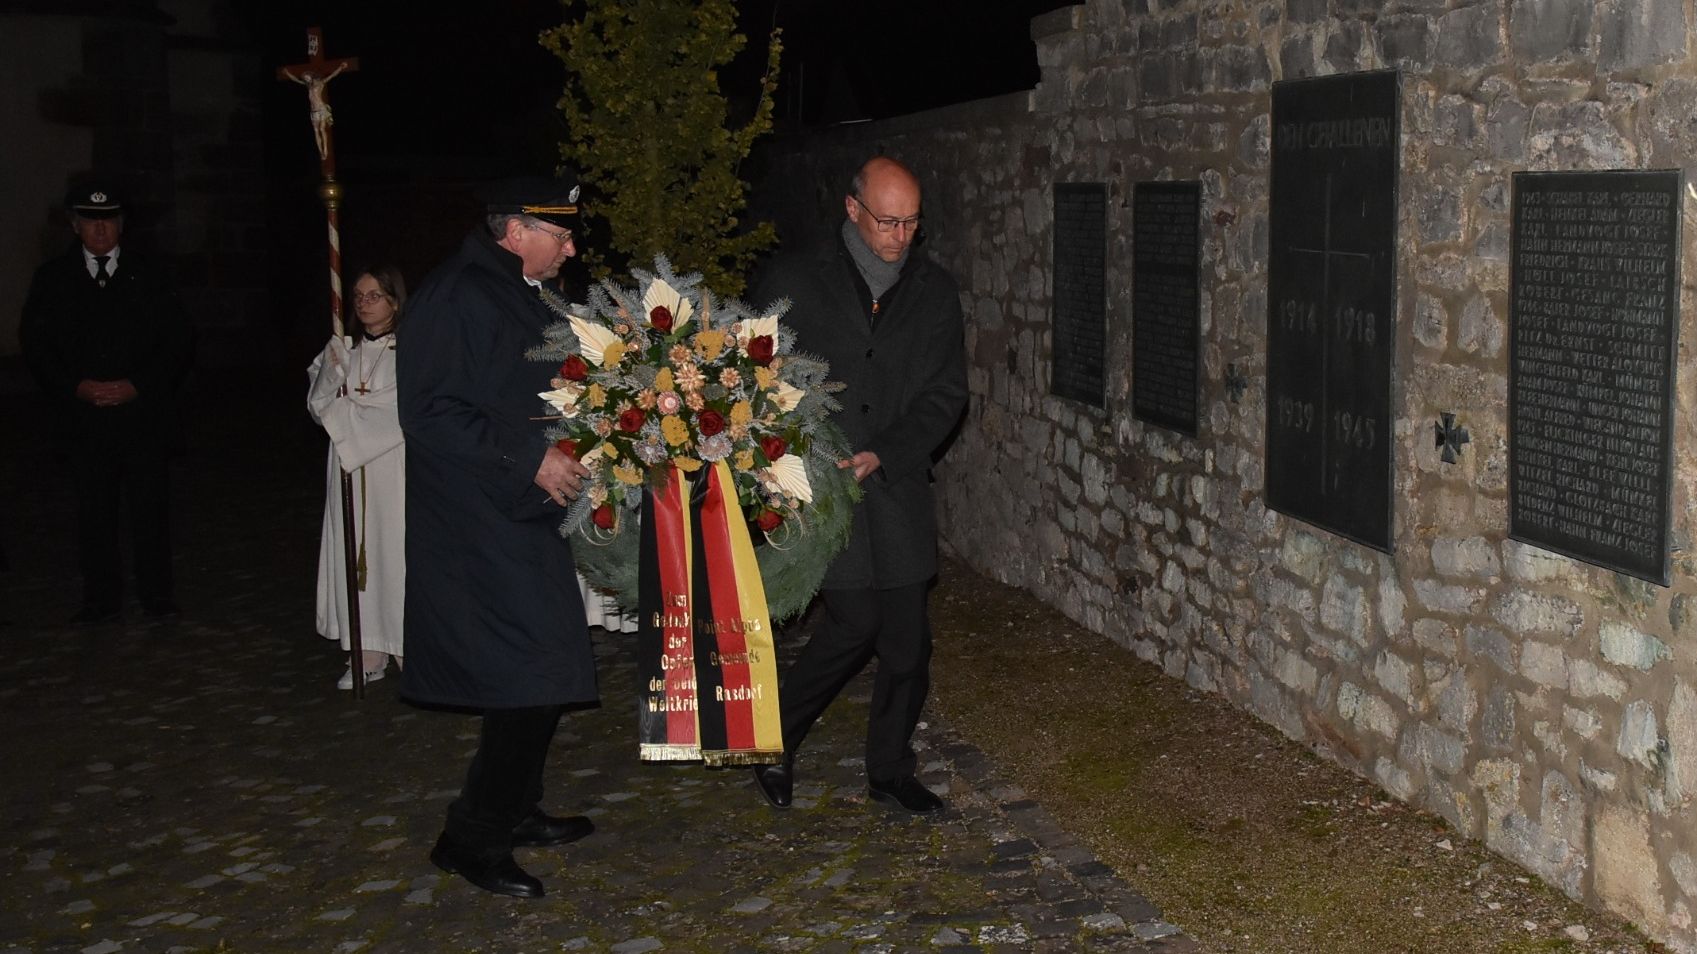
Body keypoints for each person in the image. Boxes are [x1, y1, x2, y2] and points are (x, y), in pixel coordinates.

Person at [396, 175, 596, 899]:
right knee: (529, 675)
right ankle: (470, 838)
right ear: (514, 232)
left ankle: (514, 808)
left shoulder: (522, 290)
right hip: (478, 519)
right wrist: (529, 456)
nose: (571, 246)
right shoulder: (456, 297)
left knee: (544, 668)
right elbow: (429, 412)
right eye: (559, 233)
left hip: (521, 512)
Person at [750, 156, 968, 814]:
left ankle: (889, 769)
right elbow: (751, 377)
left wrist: (885, 451)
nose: (899, 236)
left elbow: (944, 394)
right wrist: (789, 456)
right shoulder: (789, 279)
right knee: (853, 622)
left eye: (911, 223)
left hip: (894, 484)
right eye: (887, 221)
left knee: (907, 643)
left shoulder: (933, 292)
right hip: (817, 484)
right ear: (852, 211)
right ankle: (773, 742)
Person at [18, 184, 193, 624]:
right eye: (92, 220)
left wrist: (138, 384)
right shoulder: (53, 278)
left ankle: (157, 595)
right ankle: (100, 598)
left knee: (150, 509)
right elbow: (37, 345)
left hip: (141, 417)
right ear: (75, 225)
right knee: (94, 511)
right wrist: (75, 386)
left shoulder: (150, 275)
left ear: (122, 224)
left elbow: (178, 341)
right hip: (85, 418)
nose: (101, 228)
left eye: (110, 219)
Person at [307, 265, 408, 689]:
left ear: (395, 301)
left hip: (392, 467)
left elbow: (399, 409)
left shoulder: (410, 350)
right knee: (354, 555)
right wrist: (332, 374)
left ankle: (408, 648)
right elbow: (317, 404)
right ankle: (366, 652)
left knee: (394, 553)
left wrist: (343, 413)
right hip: (348, 465)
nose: (365, 305)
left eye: (375, 296)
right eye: (359, 297)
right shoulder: (340, 349)